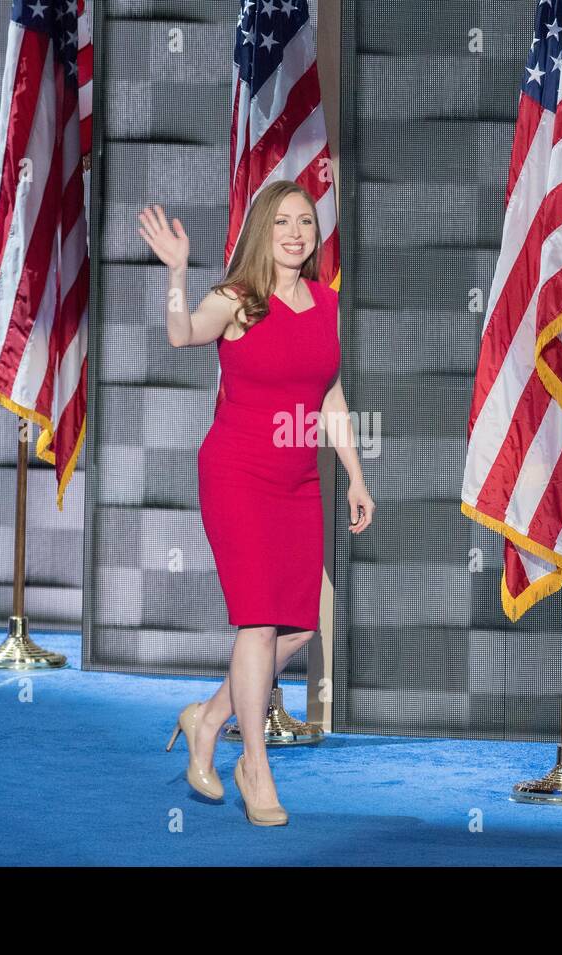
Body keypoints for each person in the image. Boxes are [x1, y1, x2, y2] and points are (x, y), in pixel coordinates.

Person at [142, 181, 374, 826]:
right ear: (261, 232)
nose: (296, 232)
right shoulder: (235, 300)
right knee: (258, 622)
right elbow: (183, 335)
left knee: (300, 626)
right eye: (282, 222)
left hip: (300, 480)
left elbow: (329, 397)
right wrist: (179, 274)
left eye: (305, 221)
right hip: (238, 472)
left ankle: (208, 718)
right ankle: (255, 766)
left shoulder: (328, 303)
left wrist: (355, 476)